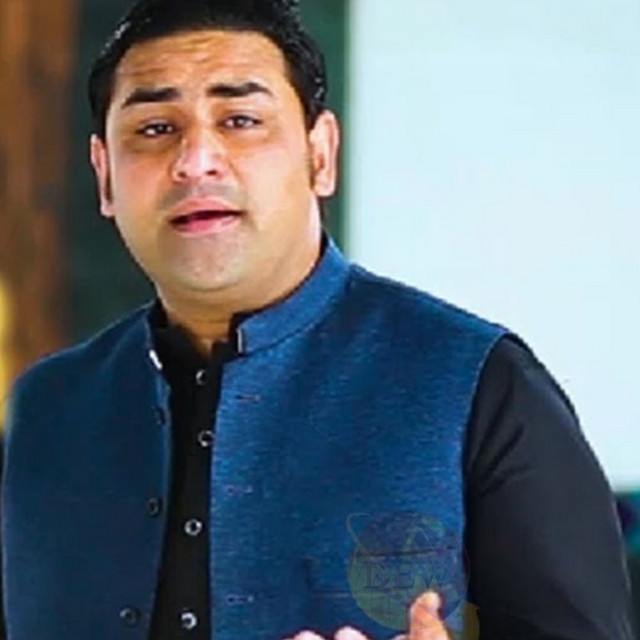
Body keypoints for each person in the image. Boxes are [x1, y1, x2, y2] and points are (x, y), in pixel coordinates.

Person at [0, 0, 633, 639]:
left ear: (320, 154)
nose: (196, 161)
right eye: (156, 128)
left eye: (240, 120)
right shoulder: (47, 410)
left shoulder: (481, 382)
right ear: (105, 177)